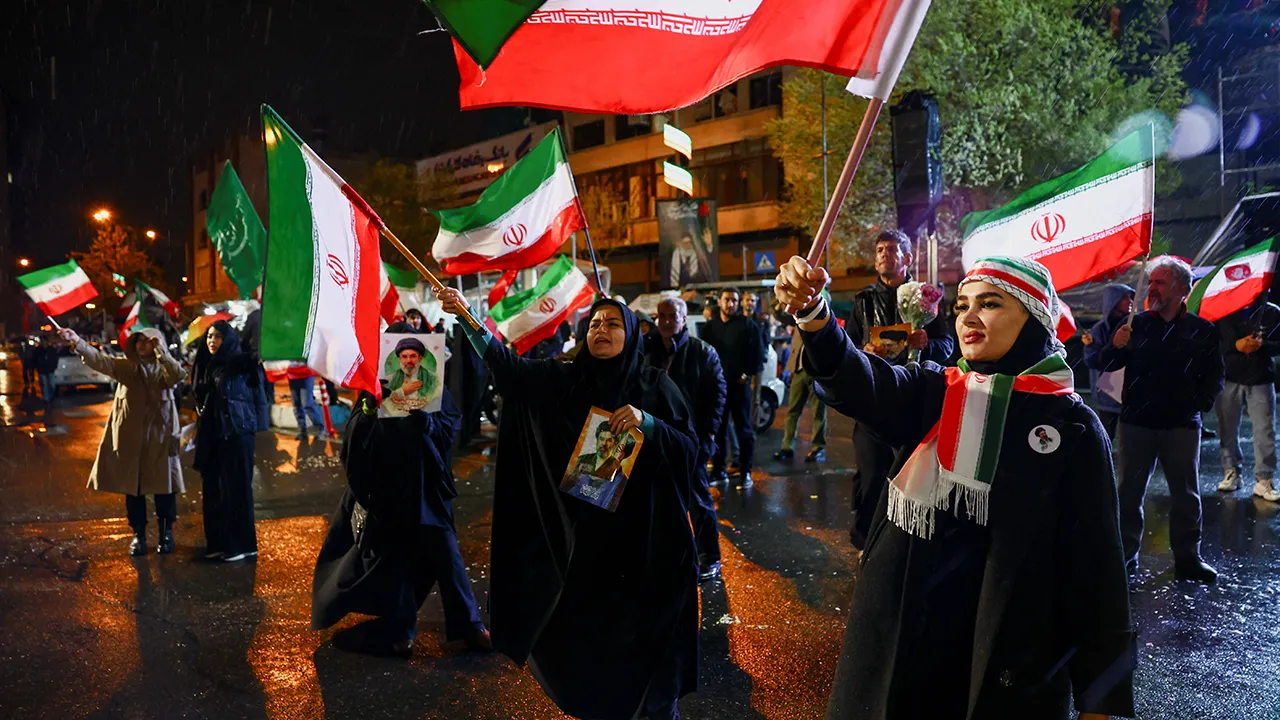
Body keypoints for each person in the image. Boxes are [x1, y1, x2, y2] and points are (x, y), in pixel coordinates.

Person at [775, 254, 1134, 720]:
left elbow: (1097, 568)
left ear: (1033, 317)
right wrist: (814, 316)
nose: (968, 317)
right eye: (963, 305)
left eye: (990, 304)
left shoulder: (1073, 427)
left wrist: (1099, 700)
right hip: (906, 650)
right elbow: (857, 379)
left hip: (1004, 661)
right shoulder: (936, 391)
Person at [437, 287, 700, 720]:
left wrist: (648, 423)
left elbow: (690, 451)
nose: (601, 330)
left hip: (648, 548)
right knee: (591, 657)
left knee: (652, 664)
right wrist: (468, 318)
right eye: (594, 323)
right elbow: (510, 370)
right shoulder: (564, 379)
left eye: (612, 323)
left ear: (632, 333)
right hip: (588, 552)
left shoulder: (655, 385)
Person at [312, 385, 492, 657]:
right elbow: (354, 444)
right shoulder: (374, 390)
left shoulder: (432, 385)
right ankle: (402, 632)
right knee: (398, 555)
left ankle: (468, 627)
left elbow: (447, 430)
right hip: (388, 492)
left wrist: (424, 421)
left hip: (427, 489)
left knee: (446, 551)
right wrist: (370, 409)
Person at [1097, 256, 1223, 583]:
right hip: (1137, 423)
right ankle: (1125, 557)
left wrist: (1198, 404)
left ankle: (1189, 559)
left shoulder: (1202, 330)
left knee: (1186, 495)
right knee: (1129, 493)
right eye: (1151, 282)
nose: (1152, 288)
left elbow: (1215, 375)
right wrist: (1115, 346)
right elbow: (1104, 365)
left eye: (1160, 282)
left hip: (1182, 426)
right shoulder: (1134, 325)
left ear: (1182, 288)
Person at [845, 229, 955, 549]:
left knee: (911, 474)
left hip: (914, 399)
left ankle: (905, 545)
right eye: (880, 249)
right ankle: (866, 543)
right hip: (873, 397)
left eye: (892, 250)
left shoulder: (926, 297)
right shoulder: (864, 301)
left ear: (907, 258)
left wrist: (926, 344)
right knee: (870, 473)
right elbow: (847, 347)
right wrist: (863, 351)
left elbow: (947, 345)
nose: (884, 254)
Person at [60, 327, 187, 556]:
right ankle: (138, 534)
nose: (142, 345)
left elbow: (178, 375)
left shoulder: (165, 368)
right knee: (134, 488)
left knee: (165, 487)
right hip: (131, 438)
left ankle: (166, 533)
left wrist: (162, 353)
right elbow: (100, 361)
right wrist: (77, 341)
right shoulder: (127, 368)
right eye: (138, 341)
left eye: (148, 341)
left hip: (160, 437)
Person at [645, 297, 727, 581]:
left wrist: (709, 435)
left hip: (690, 439)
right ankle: (672, 557)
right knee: (661, 502)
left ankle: (709, 557)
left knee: (698, 501)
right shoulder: (647, 349)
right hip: (656, 436)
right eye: (662, 316)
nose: (667, 321)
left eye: (673, 316)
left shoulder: (701, 351)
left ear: (684, 318)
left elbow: (717, 394)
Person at [192, 321, 270, 563]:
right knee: (214, 490)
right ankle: (218, 542)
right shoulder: (206, 364)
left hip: (237, 433)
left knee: (236, 490)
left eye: (217, 336)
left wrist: (256, 425)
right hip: (213, 435)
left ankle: (242, 544)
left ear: (229, 339)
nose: (212, 341)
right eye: (209, 337)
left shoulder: (242, 364)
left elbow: (259, 395)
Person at [1213, 296, 1280, 502]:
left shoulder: (1271, 311)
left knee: (1265, 430)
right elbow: (1213, 342)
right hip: (1229, 376)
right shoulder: (1223, 310)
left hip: (1260, 377)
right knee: (1227, 428)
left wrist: (1262, 345)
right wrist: (1236, 345)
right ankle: (1231, 471)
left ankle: (1264, 479)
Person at [700, 287, 763, 487]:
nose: (731, 304)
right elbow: (704, 355)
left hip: (739, 386)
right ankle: (719, 470)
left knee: (744, 430)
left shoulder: (748, 325)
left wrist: (746, 375)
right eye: (727, 299)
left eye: (734, 300)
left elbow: (757, 353)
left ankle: (745, 472)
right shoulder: (711, 327)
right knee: (718, 429)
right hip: (718, 386)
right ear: (719, 302)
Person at [1081, 283, 1135, 440]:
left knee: (1130, 438)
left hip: (1129, 392)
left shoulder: (1133, 325)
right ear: (1113, 301)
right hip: (1107, 393)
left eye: (1130, 298)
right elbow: (1092, 361)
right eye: (1124, 298)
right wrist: (1091, 346)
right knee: (1106, 435)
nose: (1130, 301)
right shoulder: (1100, 329)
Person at [776, 323, 828, 463]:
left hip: (818, 374)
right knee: (793, 411)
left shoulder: (825, 322)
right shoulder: (801, 320)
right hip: (799, 371)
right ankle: (787, 447)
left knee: (818, 412)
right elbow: (795, 345)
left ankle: (818, 448)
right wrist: (791, 369)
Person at [288, 374, 326, 440]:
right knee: (297, 405)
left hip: (306, 374)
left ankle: (320, 429)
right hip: (292, 375)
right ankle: (302, 431)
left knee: (307, 404)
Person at [35, 336, 61, 403]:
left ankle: (51, 395)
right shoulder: (38, 350)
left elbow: (56, 358)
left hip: (50, 369)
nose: (43, 342)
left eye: (44, 341)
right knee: (44, 384)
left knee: (52, 384)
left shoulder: (51, 349)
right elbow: (35, 359)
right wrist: (37, 367)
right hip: (42, 370)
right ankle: (46, 398)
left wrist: (54, 366)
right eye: (42, 341)